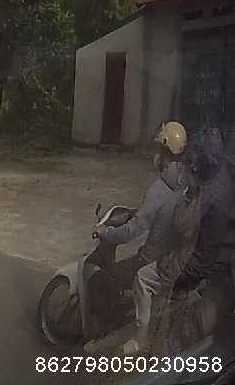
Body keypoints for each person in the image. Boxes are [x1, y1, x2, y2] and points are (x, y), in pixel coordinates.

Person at [129, 126, 234, 354]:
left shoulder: (205, 193)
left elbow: (180, 225)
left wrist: (187, 197)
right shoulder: (225, 178)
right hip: (212, 255)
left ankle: (140, 339)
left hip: (193, 262)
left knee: (143, 278)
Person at [85, 122, 187, 354]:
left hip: (150, 260)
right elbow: (158, 215)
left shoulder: (158, 189)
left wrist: (106, 232)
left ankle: (102, 334)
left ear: (164, 152)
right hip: (172, 257)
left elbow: (132, 232)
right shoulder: (185, 183)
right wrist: (136, 212)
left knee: (99, 281)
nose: (155, 155)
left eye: (158, 150)